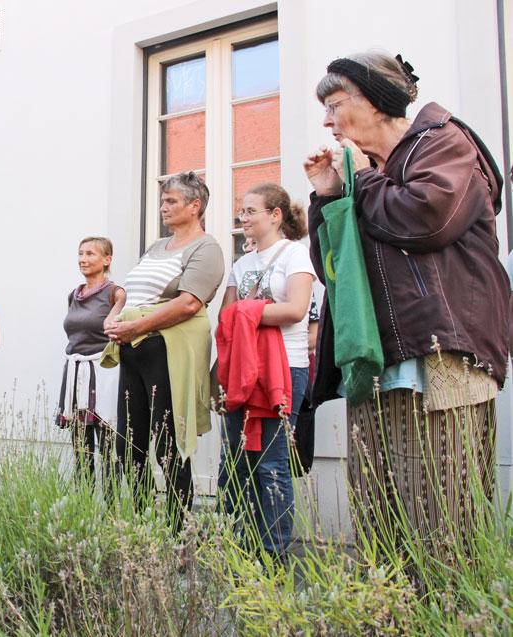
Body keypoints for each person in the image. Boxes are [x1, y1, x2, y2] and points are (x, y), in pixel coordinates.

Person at [305, 52, 510, 553]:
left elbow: (425, 219)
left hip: (439, 359)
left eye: (334, 105)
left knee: (444, 523)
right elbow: (333, 269)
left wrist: (364, 178)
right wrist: (329, 196)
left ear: (377, 102)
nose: (327, 121)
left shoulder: (443, 143)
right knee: (380, 521)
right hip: (378, 364)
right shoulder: (364, 171)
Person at [104, 171, 225, 529]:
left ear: (195, 206)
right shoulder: (157, 247)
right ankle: (141, 527)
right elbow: (131, 292)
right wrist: (116, 317)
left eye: (171, 201)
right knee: (130, 445)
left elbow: (189, 304)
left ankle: (178, 530)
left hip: (165, 352)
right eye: (162, 201)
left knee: (169, 445)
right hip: (132, 349)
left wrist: (136, 326)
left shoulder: (207, 248)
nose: (163, 207)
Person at [216, 183, 315, 558]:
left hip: (284, 369)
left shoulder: (295, 255)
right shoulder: (240, 265)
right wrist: (218, 376)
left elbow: (296, 309)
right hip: (242, 371)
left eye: (250, 210)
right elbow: (226, 320)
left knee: (270, 463)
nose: (243, 217)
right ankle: (238, 547)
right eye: (241, 211)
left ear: (275, 215)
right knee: (235, 461)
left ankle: (271, 555)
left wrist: (248, 310)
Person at [55, 237, 126, 489]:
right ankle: (84, 505)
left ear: (107, 260)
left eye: (91, 254)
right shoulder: (73, 295)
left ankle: (110, 510)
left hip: (103, 373)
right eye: (80, 253)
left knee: (108, 448)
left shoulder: (115, 293)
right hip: (76, 373)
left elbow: (117, 324)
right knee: (81, 449)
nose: (83, 259)